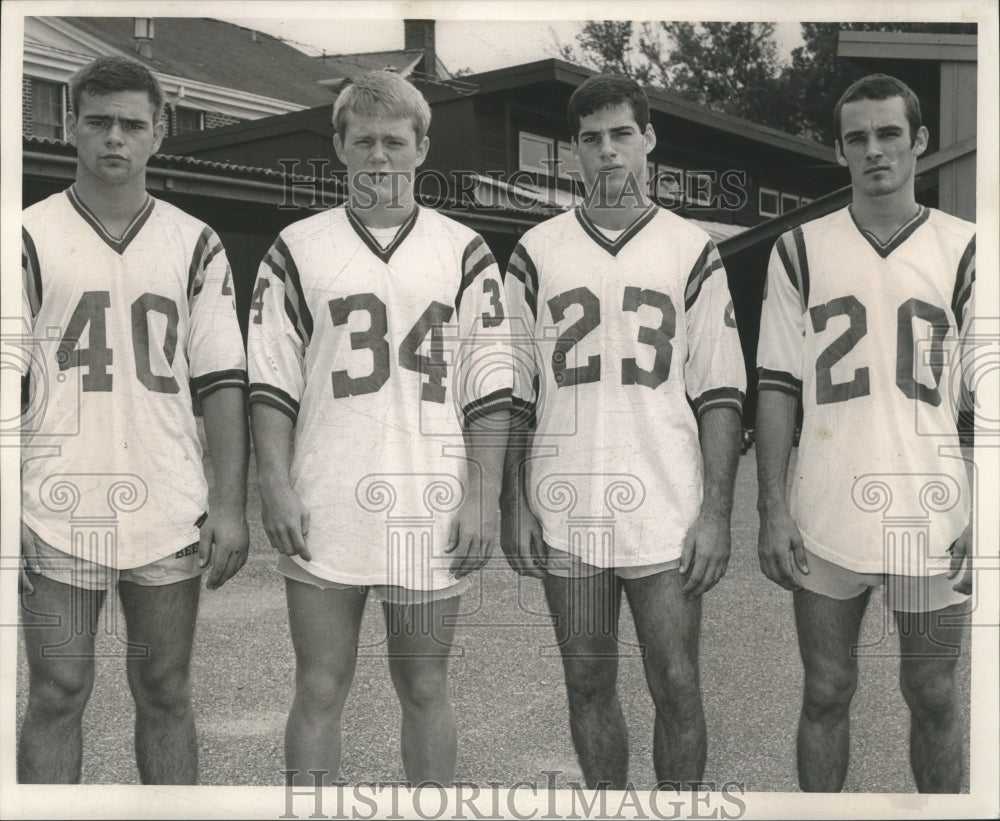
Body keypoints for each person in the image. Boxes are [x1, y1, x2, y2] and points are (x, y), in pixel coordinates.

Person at [247, 70, 512, 786]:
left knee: (424, 686)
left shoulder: (463, 250)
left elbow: (490, 386)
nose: (380, 155)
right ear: (339, 146)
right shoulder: (297, 247)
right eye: (363, 140)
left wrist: (483, 495)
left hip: (428, 498)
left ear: (423, 147)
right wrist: (273, 480)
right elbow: (270, 381)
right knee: (320, 685)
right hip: (326, 495)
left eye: (395, 140)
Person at [501, 74, 745, 789]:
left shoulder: (690, 248)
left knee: (676, 683)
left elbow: (721, 392)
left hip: (666, 508)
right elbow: (515, 387)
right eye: (590, 139)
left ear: (648, 139)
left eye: (621, 134)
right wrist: (511, 500)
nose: (607, 152)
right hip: (567, 503)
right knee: (586, 682)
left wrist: (717, 513)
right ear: (572, 151)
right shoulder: (536, 250)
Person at [18, 56, 249, 784]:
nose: (114, 137)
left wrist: (233, 504)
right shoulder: (24, 235)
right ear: (70, 127)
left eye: (131, 124)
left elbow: (221, 379)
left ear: (159, 133)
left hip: (168, 498)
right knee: (57, 692)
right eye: (98, 122)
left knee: (166, 690)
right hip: (54, 501)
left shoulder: (196, 241)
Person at [755, 73, 975, 793]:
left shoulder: (968, 249)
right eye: (858, 138)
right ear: (840, 150)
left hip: (932, 509)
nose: (874, 150)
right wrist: (772, 508)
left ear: (918, 141)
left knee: (935, 696)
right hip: (827, 506)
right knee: (825, 690)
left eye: (889, 134)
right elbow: (779, 383)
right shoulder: (799, 249)